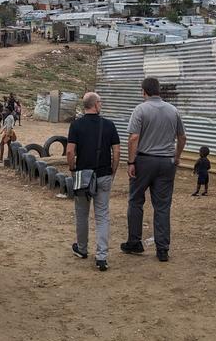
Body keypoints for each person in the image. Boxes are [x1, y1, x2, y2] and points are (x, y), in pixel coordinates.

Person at [121, 77, 186, 262]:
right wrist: (177, 156)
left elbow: (133, 138)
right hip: (166, 163)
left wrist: (131, 162)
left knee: (135, 200)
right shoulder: (173, 110)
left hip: (144, 161)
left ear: (144, 91)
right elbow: (182, 137)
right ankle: (163, 249)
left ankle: (134, 242)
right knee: (163, 206)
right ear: (159, 90)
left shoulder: (140, 109)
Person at [67, 92, 120, 272]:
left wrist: (73, 169)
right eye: (100, 102)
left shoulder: (76, 125)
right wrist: (113, 169)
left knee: (82, 213)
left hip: (83, 175)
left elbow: (70, 151)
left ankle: (82, 249)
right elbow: (116, 151)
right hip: (104, 174)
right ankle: (101, 257)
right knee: (102, 215)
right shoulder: (109, 125)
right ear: (96, 104)